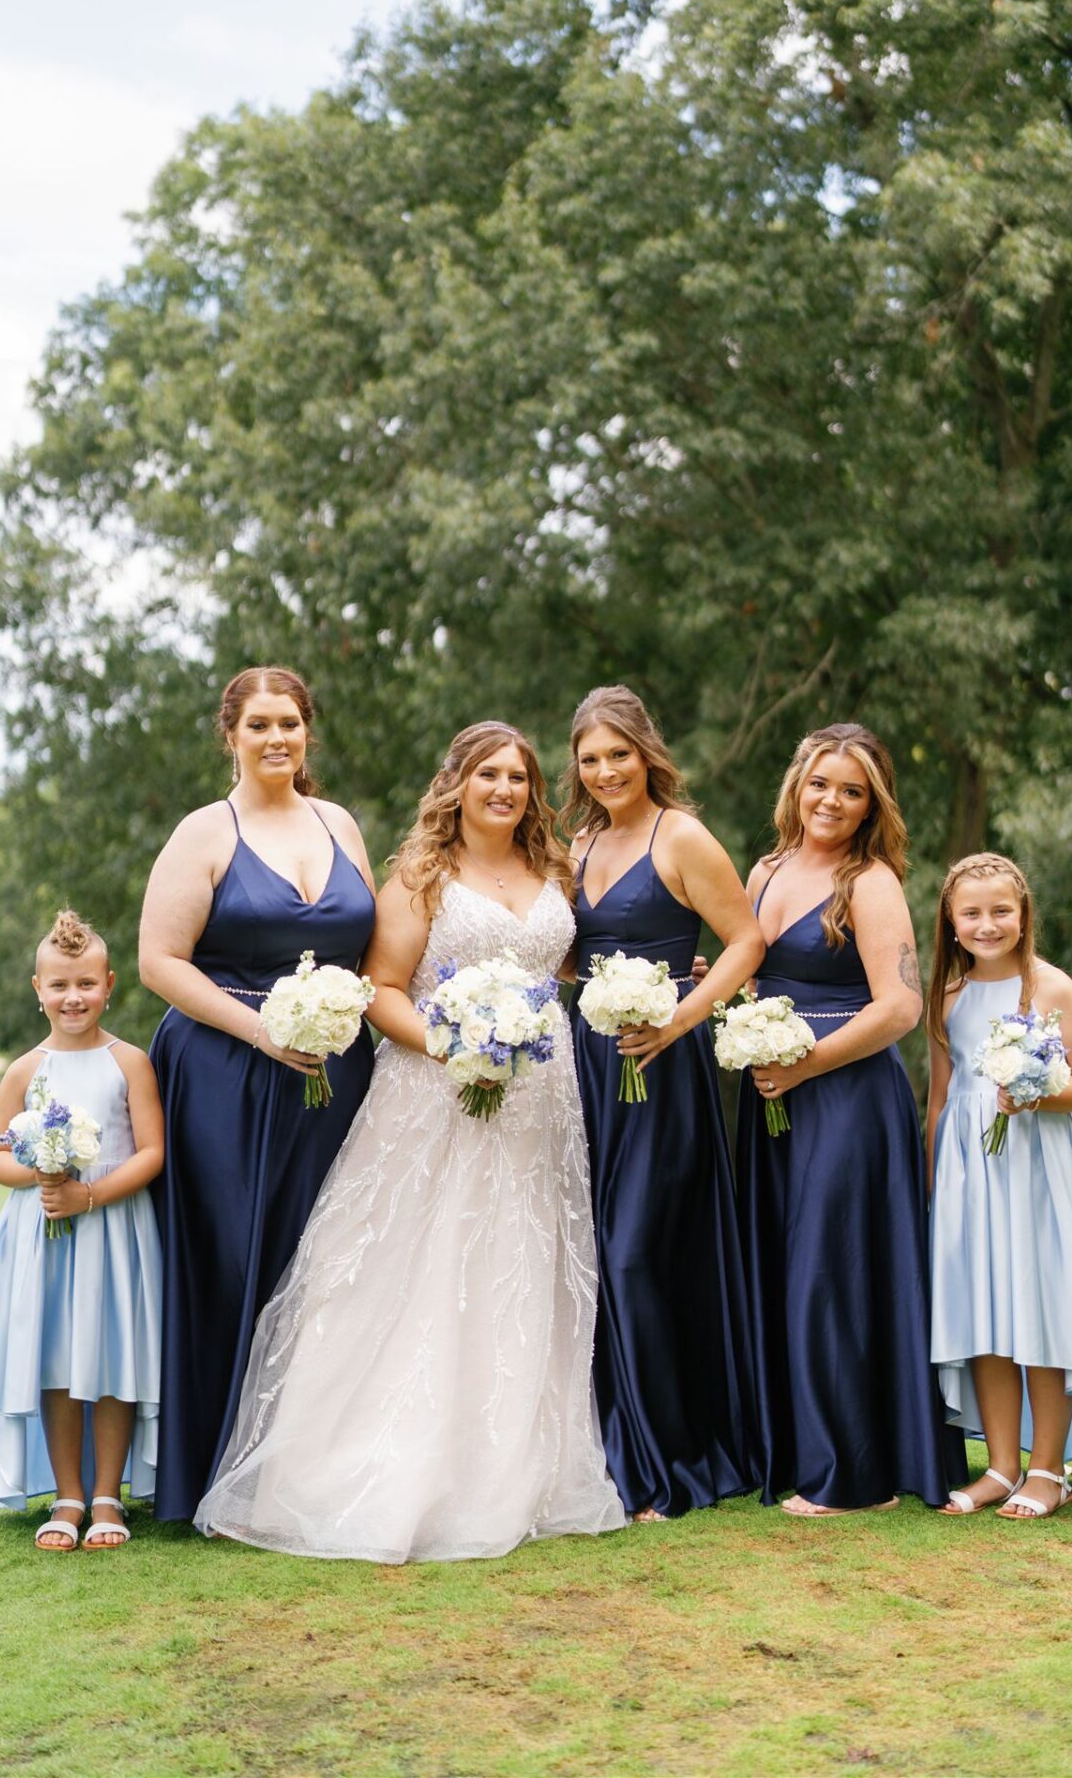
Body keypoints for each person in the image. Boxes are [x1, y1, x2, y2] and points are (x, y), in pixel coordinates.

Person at [195, 722, 625, 1561]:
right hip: (437, 1093)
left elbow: (566, 968)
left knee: (519, 1263)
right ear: (457, 784)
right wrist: (456, 1045)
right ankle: (388, 1468)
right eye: (487, 774)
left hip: (541, 1099)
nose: (503, 789)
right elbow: (383, 991)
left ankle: (512, 1465)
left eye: (518, 776)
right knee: (421, 1267)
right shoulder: (422, 875)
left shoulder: (554, 870)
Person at [140, 665, 376, 1522]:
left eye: (291, 723)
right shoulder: (205, 832)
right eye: (259, 725)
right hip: (226, 1077)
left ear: (308, 731)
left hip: (337, 1077)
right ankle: (212, 1467)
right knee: (235, 1257)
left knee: (323, 1263)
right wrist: (262, 1033)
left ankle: (300, 1473)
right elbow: (159, 962)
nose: (277, 738)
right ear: (231, 735)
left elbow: (374, 949)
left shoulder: (339, 823)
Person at [734, 723, 966, 1514]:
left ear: (872, 805)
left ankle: (857, 1475)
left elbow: (900, 1006)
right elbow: (751, 967)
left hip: (846, 1096)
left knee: (831, 1272)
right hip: (770, 1095)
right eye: (820, 784)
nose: (831, 801)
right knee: (783, 1267)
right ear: (797, 787)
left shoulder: (869, 883)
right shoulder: (764, 871)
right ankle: (800, 1449)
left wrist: (805, 1063)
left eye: (852, 790)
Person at [562, 685, 766, 1520]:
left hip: (661, 1069)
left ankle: (668, 1462)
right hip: (585, 1068)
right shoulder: (575, 844)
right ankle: (612, 1448)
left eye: (619, 754)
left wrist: (679, 1018)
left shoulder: (680, 836)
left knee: (643, 1252)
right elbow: (568, 953)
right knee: (596, 1255)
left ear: (647, 753)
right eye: (590, 758)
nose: (607, 770)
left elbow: (746, 941)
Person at [926, 852, 1072, 1517]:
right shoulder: (946, 997)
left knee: (1036, 1309)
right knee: (984, 1314)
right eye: (971, 913)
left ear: (1023, 913)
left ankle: (1049, 1469)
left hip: (1037, 1169)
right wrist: (932, 1178)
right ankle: (1000, 1466)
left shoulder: (1052, 989)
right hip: (969, 1172)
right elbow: (941, 1099)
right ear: (950, 918)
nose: (987, 924)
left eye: (1001, 911)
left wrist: (1038, 1096)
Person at [0, 910, 163, 1550]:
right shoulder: (23, 1071)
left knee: (113, 1354)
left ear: (110, 983)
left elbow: (150, 1154)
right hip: (45, 1235)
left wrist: (89, 1194)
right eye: (59, 986)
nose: (73, 998)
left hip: (113, 1230)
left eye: (86, 984)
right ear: (37, 989)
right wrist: (40, 1173)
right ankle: (66, 1495)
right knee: (59, 1356)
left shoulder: (131, 1063)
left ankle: (109, 1495)